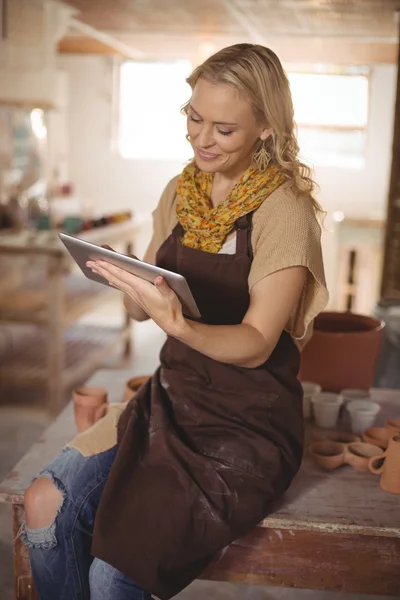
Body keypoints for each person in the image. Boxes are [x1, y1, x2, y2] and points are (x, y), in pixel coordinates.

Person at [22, 43, 328, 600]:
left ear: (265, 127)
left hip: (244, 426)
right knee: (45, 504)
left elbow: (259, 342)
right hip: (171, 397)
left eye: (223, 128)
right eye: (193, 116)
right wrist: (128, 286)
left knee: (112, 575)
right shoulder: (180, 191)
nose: (201, 139)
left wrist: (180, 325)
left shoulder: (285, 210)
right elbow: (142, 309)